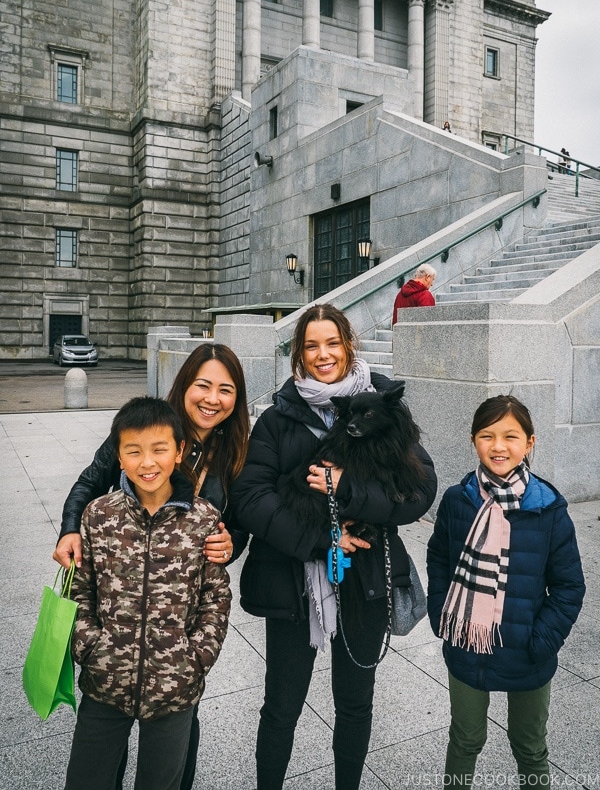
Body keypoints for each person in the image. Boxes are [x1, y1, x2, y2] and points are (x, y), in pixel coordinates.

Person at [230, 303, 437, 790]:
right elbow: (250, 498)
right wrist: (323, 541)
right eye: (311, 346)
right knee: (282, 705)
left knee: (355, 700)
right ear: (299, 355)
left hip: (364, 576)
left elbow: (418, 492)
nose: (323, 355)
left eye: (332, 343)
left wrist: (346, 487)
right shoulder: (278, 418)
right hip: (292, 578)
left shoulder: (384, 404)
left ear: (348, 344)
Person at [53, 342, 250, 790]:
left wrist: (196, 657)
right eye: (203, 385)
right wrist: (90, 644)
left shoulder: (236, 446)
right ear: (184, 386)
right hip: (115, 640)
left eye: (225, 389)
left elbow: (235, 528)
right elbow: (89, 481)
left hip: (175, 642)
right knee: (97, 762)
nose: (212, 398)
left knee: (171, 757)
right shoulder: (148, 424)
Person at [426, 395, 585, 786]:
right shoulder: (456, 500)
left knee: (530, 747)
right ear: (473, 440)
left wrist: (541, 640)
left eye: (511, 436)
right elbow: (439, 559)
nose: (499, 446)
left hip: (528, 651)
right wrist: (442, 615)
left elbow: (569, 586)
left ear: (530, 443)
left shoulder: (549, 509)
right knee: (464, 739)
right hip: (467, 644)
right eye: (487, 436)